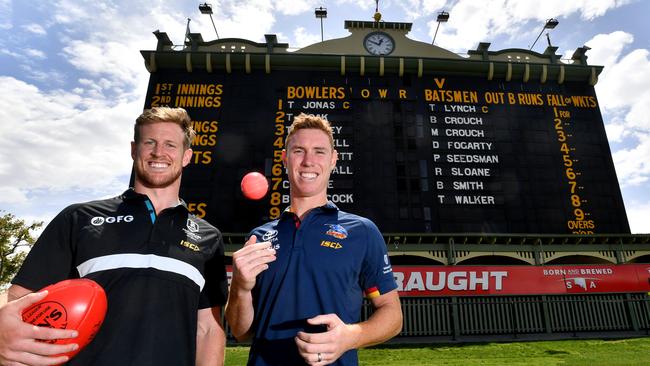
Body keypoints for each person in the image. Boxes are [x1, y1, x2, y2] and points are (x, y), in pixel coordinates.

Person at [0, 107, 229, 366]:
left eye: (170, 145)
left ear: (186, 156)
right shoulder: (79, 218)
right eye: (149, 142)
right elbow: (22, 297)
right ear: (134, 149)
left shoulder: (209, 237)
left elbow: (208, 329)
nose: (158, 152)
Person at [226, 113, 402, 365]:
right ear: (285, 159)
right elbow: (241, 332)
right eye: (299, 151)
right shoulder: (259, 238)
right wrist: (240, 288)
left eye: (319, 151)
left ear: (333, 160)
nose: (308, 161)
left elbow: (393, 315)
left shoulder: (362, 232)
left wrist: (351, 336)